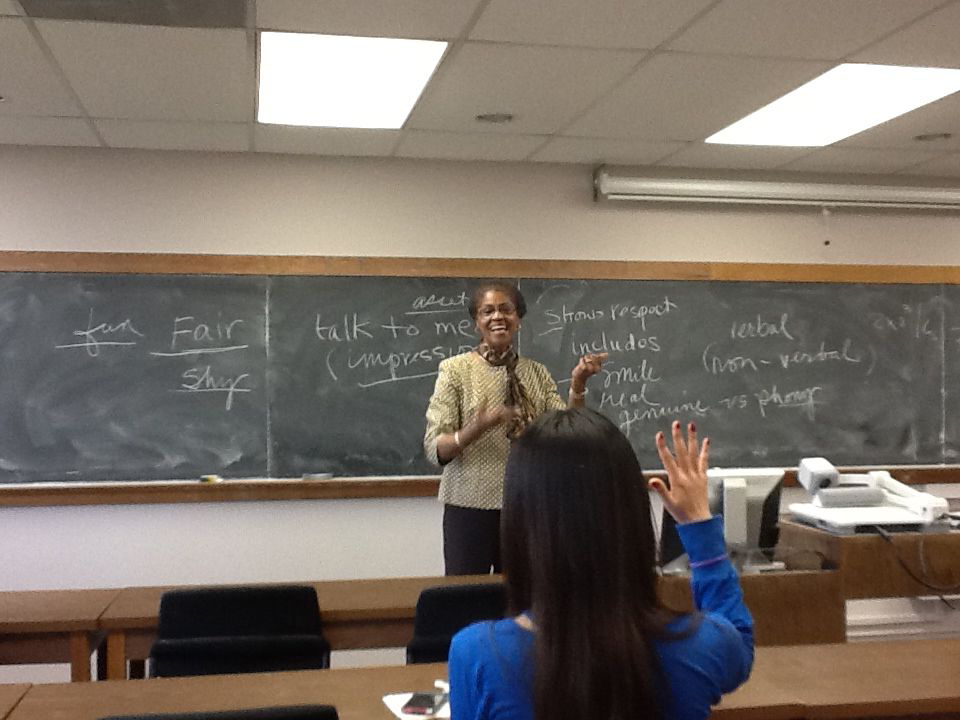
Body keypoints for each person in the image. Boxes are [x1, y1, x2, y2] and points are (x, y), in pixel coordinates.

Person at [448, 410, 754, 720]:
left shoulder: (477, 656)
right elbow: (740, 644)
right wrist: (700, 526)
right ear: (633, 518)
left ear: (520, 526)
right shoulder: (702, 645)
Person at [423, 281, 606, 575]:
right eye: (488, 312)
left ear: (518, 320)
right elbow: (436, 449)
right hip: (469, 510)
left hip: (528, 506)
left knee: (524, 599)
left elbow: (568, 431)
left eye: (506, 310)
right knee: (466, 598)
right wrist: (478, 427)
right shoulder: (455, 370)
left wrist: (578, 383)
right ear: (476, 323)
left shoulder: (535, 372)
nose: (498, 317)